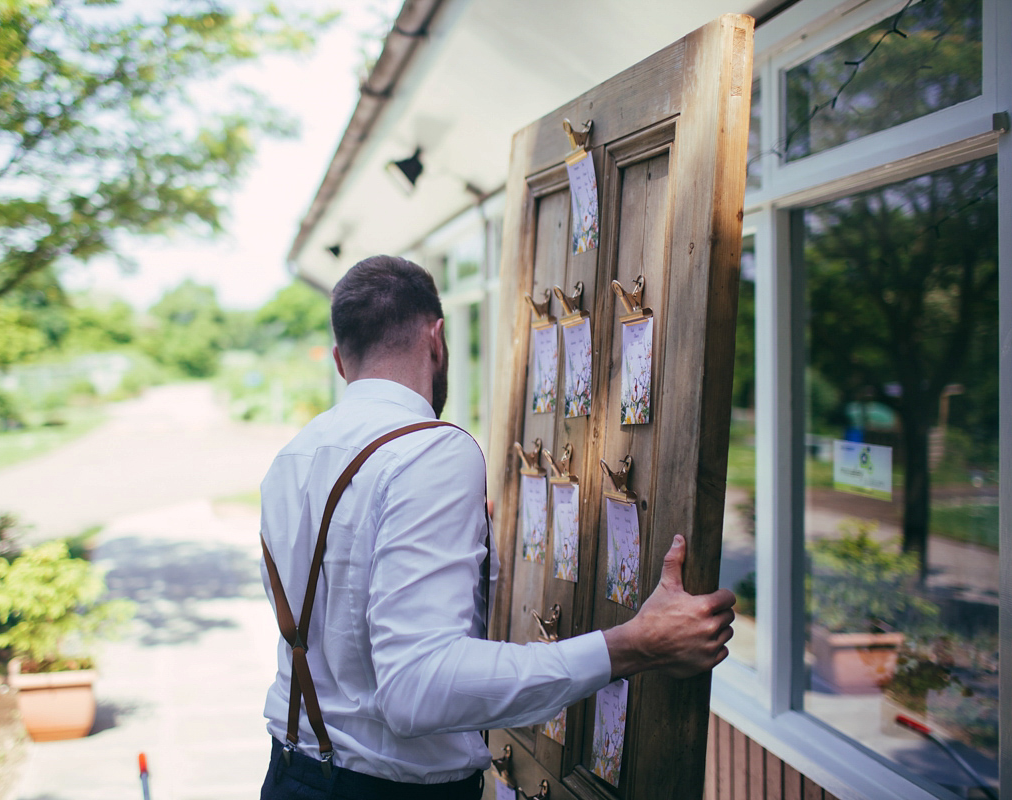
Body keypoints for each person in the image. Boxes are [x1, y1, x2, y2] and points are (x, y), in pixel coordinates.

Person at [259, 255, 735, 799]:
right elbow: (418, 688)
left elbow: (333, 626)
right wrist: (632, 646)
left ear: (342, 362)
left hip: (288, 779)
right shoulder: (429, 449)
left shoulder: (291, 458)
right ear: (438, 340)